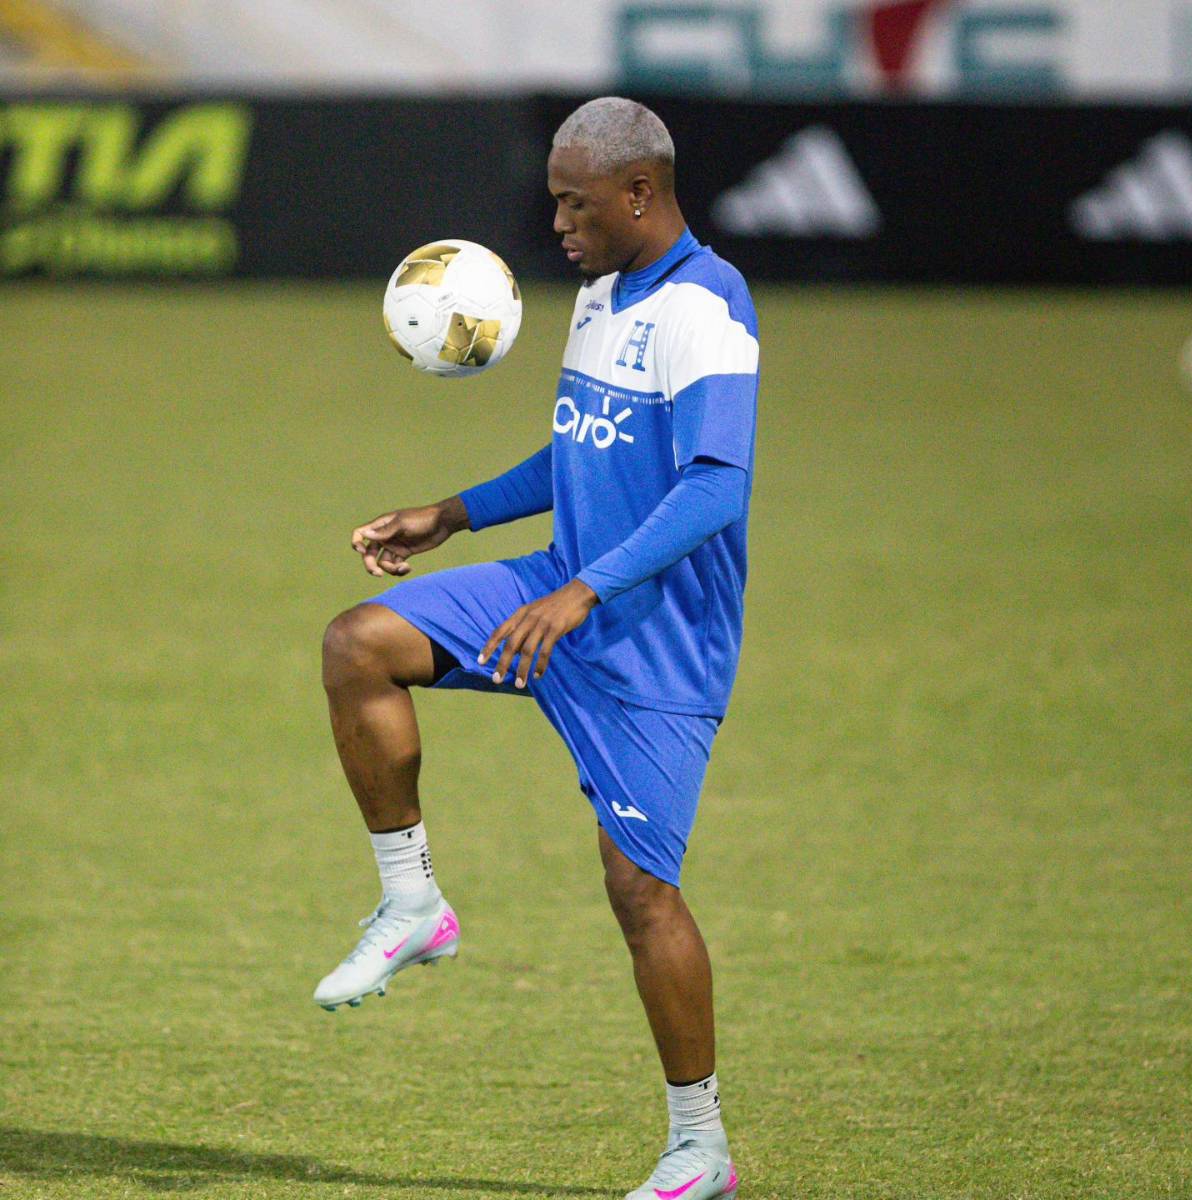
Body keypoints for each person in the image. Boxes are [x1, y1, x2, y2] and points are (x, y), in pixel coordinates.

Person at [316, 96, 757, 1200]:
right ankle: (414, 905)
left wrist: (585, 593)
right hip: (550, 594)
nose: (555, 222)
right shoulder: (606, 293)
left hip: (655, 645)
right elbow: (583, 449)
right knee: (359, 644)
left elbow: (717, 486)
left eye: (572, 202)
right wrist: (451, 513)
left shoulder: (709, 306)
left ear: (639, 194)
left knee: (639, 892)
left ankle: (699, 1146)